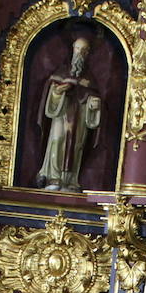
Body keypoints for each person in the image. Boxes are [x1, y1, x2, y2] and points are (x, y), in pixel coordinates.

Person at [36, 37, 103, 191]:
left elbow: (94, 96)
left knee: (76, 146)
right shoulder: (61, 71)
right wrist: (57, 92)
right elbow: (51, 91)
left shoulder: (89, 79)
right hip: (61, 114)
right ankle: (53, 177)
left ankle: (70, 180)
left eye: (84, 50)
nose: (80, 53)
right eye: (78, 49)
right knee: (57, 140)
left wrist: (94, 103)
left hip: (79, 117)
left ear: (88, 54)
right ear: (73, 48)